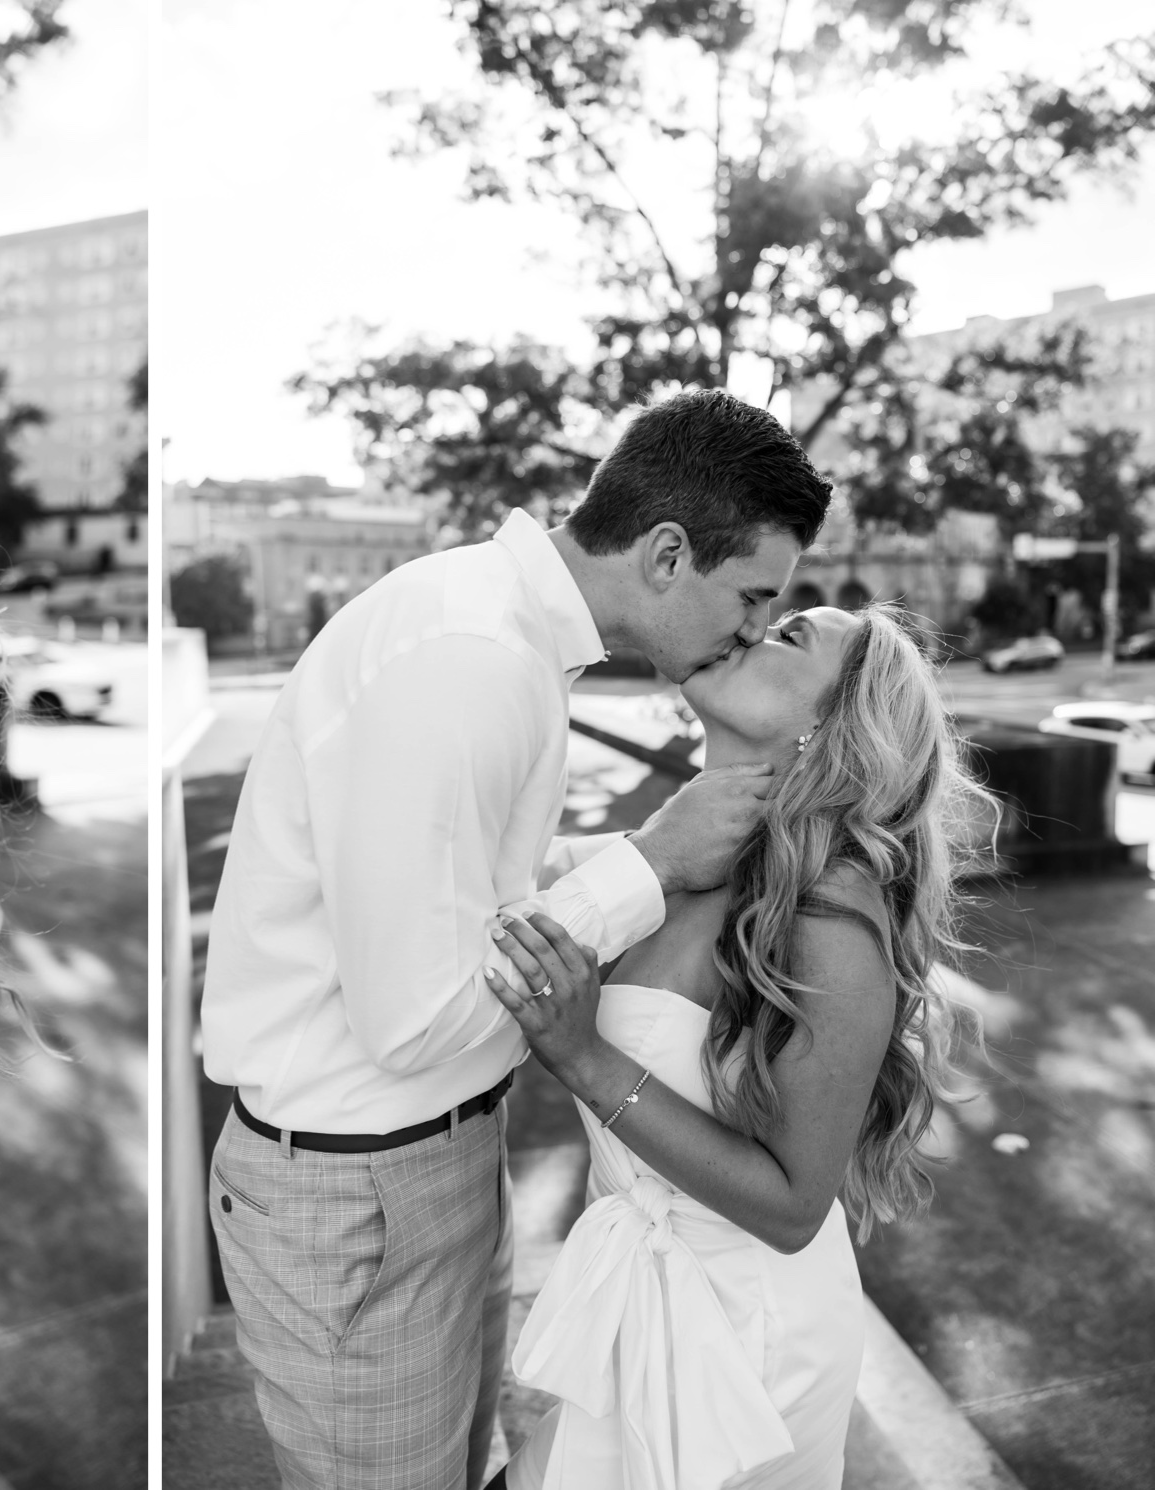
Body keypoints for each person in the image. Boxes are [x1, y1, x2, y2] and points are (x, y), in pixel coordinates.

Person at [200, 388, 834, 1490]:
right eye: (749, 596)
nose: (746, 629)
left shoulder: (507, 637)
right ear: (667, 552)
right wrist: (644, 863)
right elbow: (413, 1020)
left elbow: (465, 899)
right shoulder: (469, 657)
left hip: (418, 1165)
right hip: (355, 1192)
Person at [489, 602, 986, 1490]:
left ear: (831, 725)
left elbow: (796, 1207)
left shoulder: (829, 911)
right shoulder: (660, 855)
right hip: (641, 1302)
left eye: (790, 635)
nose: (749, 629)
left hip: (750, 1344)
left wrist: (587, 1062)